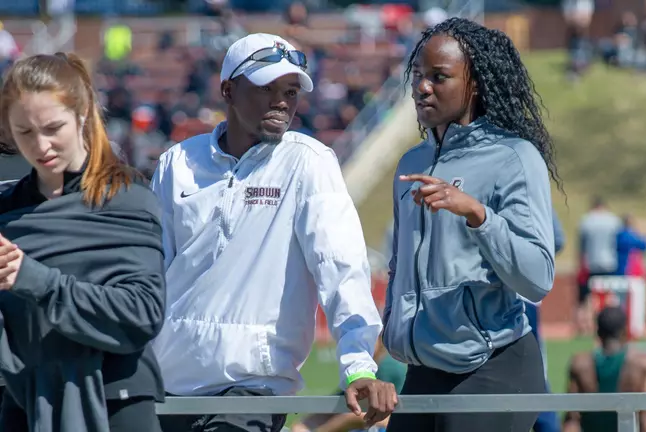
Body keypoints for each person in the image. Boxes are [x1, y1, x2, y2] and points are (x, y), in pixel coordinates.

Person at [150, 33, 397, 432]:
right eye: (267, 88)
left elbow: (342, 270)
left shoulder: (309, 163)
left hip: (253, 386)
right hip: (168, 383)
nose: (282, 101)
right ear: (228, 90)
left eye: (291, 90)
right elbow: (151, 273)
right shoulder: (176, 163)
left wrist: (358, 366)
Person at [383, 17, 559, 432]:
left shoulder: (514, 158)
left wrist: (478, 215)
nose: (423, 87)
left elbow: (538, 279)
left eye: (439, 77)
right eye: (418, 76)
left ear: (474, 84)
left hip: (494, 368)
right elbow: (398, 266)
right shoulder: (411, 164)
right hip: (423, 370)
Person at [0, 53, 166, 432]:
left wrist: (33, 279)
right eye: (24, 132)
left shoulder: (128, 198)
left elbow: (143, 311)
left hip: (117, 404)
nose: (41, 146)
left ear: (82, 115)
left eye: (52, 127)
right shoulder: (6, 211)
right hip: (24, 403)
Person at [562, 307, 646, 432]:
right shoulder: (643, 364)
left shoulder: (579, 364)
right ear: (625, 331)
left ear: (598, 332)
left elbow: (572, 419)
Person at [290, 335, 406, 432]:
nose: (357, 347)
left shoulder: (390, 368)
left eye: (365, 340)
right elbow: (336, 405)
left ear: (380, 340)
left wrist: (340, 423)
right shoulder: (356, 371)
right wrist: (302, 425)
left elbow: (396, 418)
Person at [526, 212, 566, 432]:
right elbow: (557, 239)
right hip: (521, 294)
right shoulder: (529, 184)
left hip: (491, 293)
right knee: (535, 374)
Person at [577, 196, 622, 335]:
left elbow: (581, 246)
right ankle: (611, 324)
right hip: (610, 262)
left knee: (590, 297)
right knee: (609, 295)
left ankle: (588, 327)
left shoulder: (587, 221)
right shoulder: (614, 220)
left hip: (592, 263)